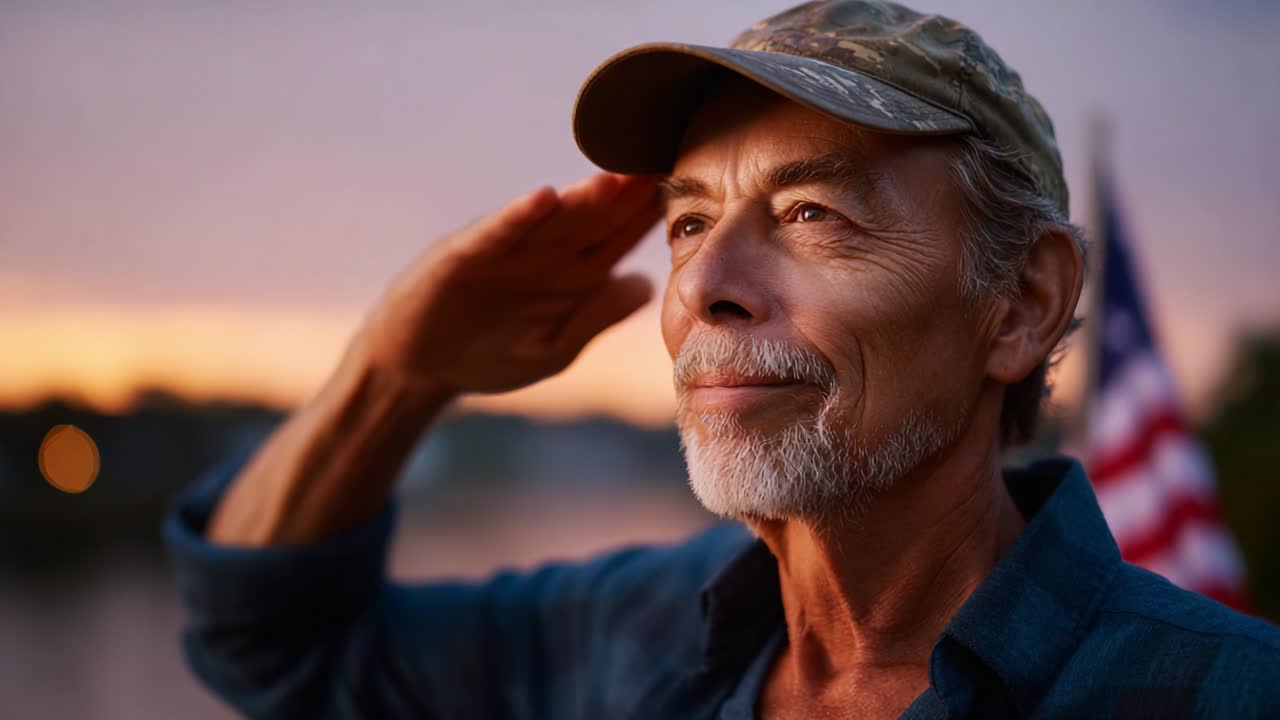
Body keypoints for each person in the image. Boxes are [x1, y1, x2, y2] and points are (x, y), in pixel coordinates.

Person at [164, 1, 1280, 718]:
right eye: (689, 222)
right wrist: (395, 374)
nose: (700, 286)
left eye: (808, 212)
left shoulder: (1228, 694)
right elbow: (268, 640)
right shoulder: (623, 636)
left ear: (1019, 306)